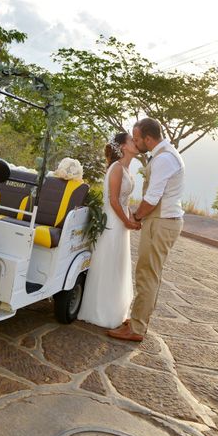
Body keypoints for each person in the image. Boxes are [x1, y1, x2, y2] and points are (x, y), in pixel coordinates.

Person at [108, 118, 185, 341]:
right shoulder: (166, 154)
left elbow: (152, 197)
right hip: (164, 220)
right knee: (149, 273)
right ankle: (137, 320)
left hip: (161, 222)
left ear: (148, 139)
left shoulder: (163, 160)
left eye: (138, 138)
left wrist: (136, 217)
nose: (136, 141)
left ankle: (136, 328)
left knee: (146, 275)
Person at [78, 132, 141, 329]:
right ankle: (101, 311)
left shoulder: (127, 169)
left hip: (121, 222)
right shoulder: (116, 168)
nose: (135, 143)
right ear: (123, 146)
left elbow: (124, 201)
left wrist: (132, 218)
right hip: (112, 222)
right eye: (131, 140)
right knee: (109, 262)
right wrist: (126, 221)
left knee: (118, 264)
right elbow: (113, 200)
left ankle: (115, 309)